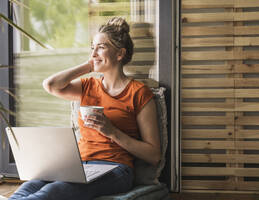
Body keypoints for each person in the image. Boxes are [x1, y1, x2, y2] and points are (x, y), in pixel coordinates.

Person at [9, 17, 161, 200]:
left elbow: (153, 155)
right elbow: (50, 85)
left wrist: (111, 131)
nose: (94, 52)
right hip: (78, 166)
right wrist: (91, 64)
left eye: (101, 47)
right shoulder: (88, 85)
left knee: (52, 192)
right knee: (28, 187)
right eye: (92, 47)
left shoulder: (139, 93)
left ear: (120, 54)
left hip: (116, 169)